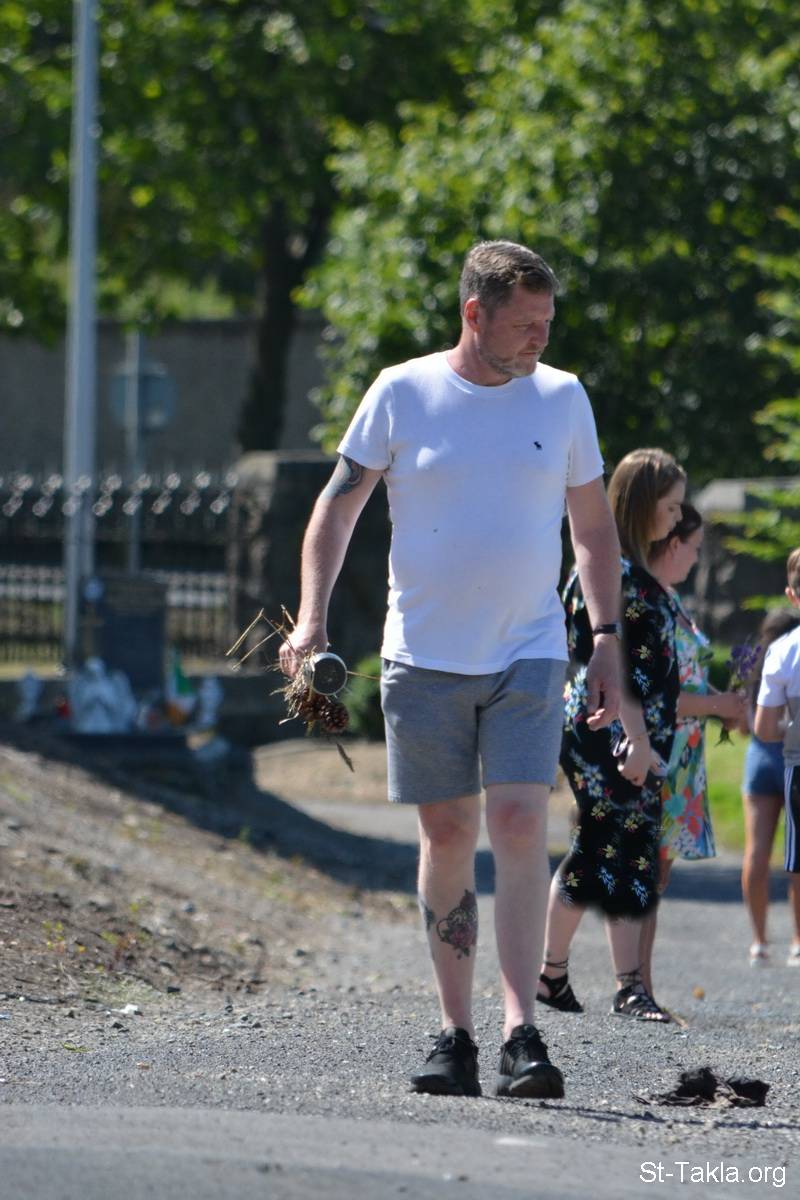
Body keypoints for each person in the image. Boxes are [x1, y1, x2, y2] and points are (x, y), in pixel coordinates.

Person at [279, 239, 622, 1101]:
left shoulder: (564, 397)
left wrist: (607, 636)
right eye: (526, 323)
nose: (542, 337)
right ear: (475, 313)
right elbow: (336, 510)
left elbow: (592, 528)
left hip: (529, 648)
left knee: (518, 819)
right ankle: (455, 1031)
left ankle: (521, 1030)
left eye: (548, 321)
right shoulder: (402, 392)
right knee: (447, 832)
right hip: (423, 654)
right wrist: (312, 618)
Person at [537, 448, 683, 1022]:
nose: (677, 518)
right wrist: (638, 739)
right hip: (610, 730)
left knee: (621, 846)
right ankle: (600, 981)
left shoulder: (629, 571)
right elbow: (615, 665)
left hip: (625, 731)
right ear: (643, 504)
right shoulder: (611, 573)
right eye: (670, 506)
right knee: (604, 844)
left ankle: (589, 979)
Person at [637, 505, 747, 1001]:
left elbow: (686, 681)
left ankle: (641, 985)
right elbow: (653, 696)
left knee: (657, 874)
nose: (698, 557)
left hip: (682, 758)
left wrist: (722, 705)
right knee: (641, 872)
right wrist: (718, 705)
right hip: (657, 751)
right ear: (673, 542)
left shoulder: (671, 599)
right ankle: (632, 984)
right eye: (695, 547)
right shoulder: (644, 601)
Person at [750, 549, 800, 966]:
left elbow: (764, 729)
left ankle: (761, 941)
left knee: (767, 853)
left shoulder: (782, 651)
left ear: (791, 595)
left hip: (789, 761)